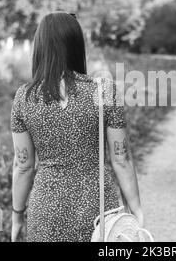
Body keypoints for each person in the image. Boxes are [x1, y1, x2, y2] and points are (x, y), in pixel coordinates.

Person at [10, 12, 143, 242]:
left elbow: (23, 166)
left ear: (39, 47)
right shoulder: (103, 90)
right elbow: (121, 158)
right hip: (99, 214)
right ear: (76, 46)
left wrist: (16, 215)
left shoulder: (24, 97)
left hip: (45, 214)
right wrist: (136, 208)